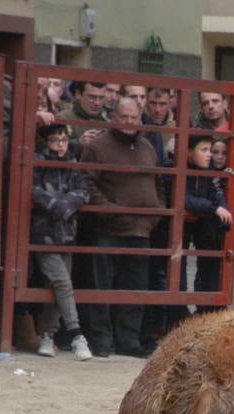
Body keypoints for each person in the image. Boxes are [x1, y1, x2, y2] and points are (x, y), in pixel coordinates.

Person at [79, 97, 162, 357]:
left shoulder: (147, 147)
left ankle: (129, 341)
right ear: (113, 117)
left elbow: (159, 182)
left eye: (134, 117)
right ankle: (101, 340)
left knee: (135, 289)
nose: (129, 122)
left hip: (142, 230)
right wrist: (109, 211)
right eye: (124, 117)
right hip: (109, 230)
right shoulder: (98, 146)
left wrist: (156, 213)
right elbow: (86, 181)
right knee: (101, 288)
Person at [29, 122, 92, 360]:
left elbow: (84, 191)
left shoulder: (72, 164)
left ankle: (48, 335)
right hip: (43, 235)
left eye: (64, 139)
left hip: (66, 234)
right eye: (55, 140)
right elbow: (34, 190)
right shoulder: (38, 164)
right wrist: (58, 206)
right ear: (46, 142)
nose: (60, 144)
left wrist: (65, 204)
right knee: (63, 283)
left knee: (55, 286)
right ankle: (77, 335)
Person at [177, 134, 232, 295]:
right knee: (175, 272)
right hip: (173, 227)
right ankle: (176, 307)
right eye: (204, 150)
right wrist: (214, 209)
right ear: (189, 152)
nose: (210, 155)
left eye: (210, 150)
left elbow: (216, 194)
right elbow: (183, 198)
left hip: (195, 225)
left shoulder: (207, 172)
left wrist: (224, 212)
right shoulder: (174, 167)